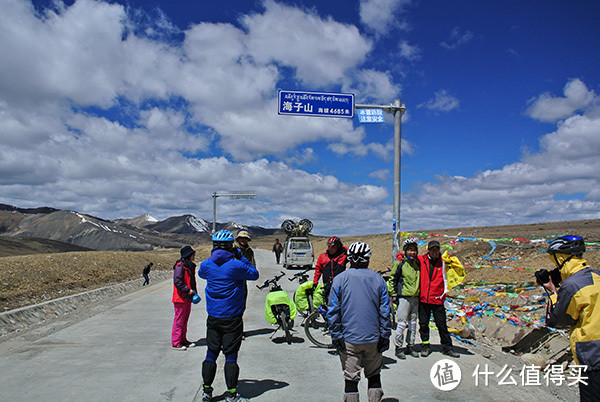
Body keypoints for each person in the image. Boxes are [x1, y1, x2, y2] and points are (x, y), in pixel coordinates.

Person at [198, 230, 259, 402]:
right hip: (232, 317)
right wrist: (241, 257)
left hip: (213, 317)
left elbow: (202, 273)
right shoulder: (236, 265)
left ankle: (207, 392)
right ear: (231, 246)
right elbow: (254, 274)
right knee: (231, 356)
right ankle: (231, 394)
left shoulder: (207, 265)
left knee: (211, 353)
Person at [328, 241, 392, 402]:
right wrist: (385, 335)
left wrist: (336, 336)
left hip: (349, 338)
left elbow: (333, 310)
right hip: (374, 338)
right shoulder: (378, 280)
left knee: (351, 379)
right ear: (368, 259)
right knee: (374, 376)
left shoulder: (340, 279)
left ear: (350, 258)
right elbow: (385, 311)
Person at [541, 236, 600, 401]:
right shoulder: (597, 276)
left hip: (592, 354)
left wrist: (553, 292)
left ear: (561, 257)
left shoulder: (572, 285)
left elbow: (558, 320)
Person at [417, 240, 459, 358]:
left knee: (442, 325)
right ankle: (425, 346)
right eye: (432, 249)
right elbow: (410, 258)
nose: (434, 252)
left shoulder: (444, 262)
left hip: (437, 299)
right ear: (428, 250)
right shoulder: (422, 260)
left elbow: (456, 268)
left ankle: (447, 348)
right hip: (424, 299)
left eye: (436, 249)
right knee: (423, 325)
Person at [389, 238, 420, 359]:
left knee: (412, 324)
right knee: (401, 324)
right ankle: (398, 347)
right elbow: (392, 279)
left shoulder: (417, 264)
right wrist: (394, 294)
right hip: (404, 298)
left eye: (414, 250)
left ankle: (410, 345)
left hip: (415, 297)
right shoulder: (400, 263)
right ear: (406, 251)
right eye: (410, 250)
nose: (412, 252)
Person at [172, 246, 199, 350]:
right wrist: (187, 290)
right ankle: (176, 341)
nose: (194, 256)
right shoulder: (180, 266)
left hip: (187, 297)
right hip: (181, 297)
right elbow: (177, 281)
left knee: (184, 320)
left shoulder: (188, 266)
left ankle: (183, 339)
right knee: (179, 320)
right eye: (192, 254)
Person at [313, 236, 348, 303]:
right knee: (328, 304)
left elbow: (351, 255)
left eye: (333, 247)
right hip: (327, 286)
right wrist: (315, 282)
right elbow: (318, 270)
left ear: (338, 247)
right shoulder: (323, 257)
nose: (330, 248)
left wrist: (344, 248)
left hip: (340, 286)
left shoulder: (343, 257)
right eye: (329, 246)